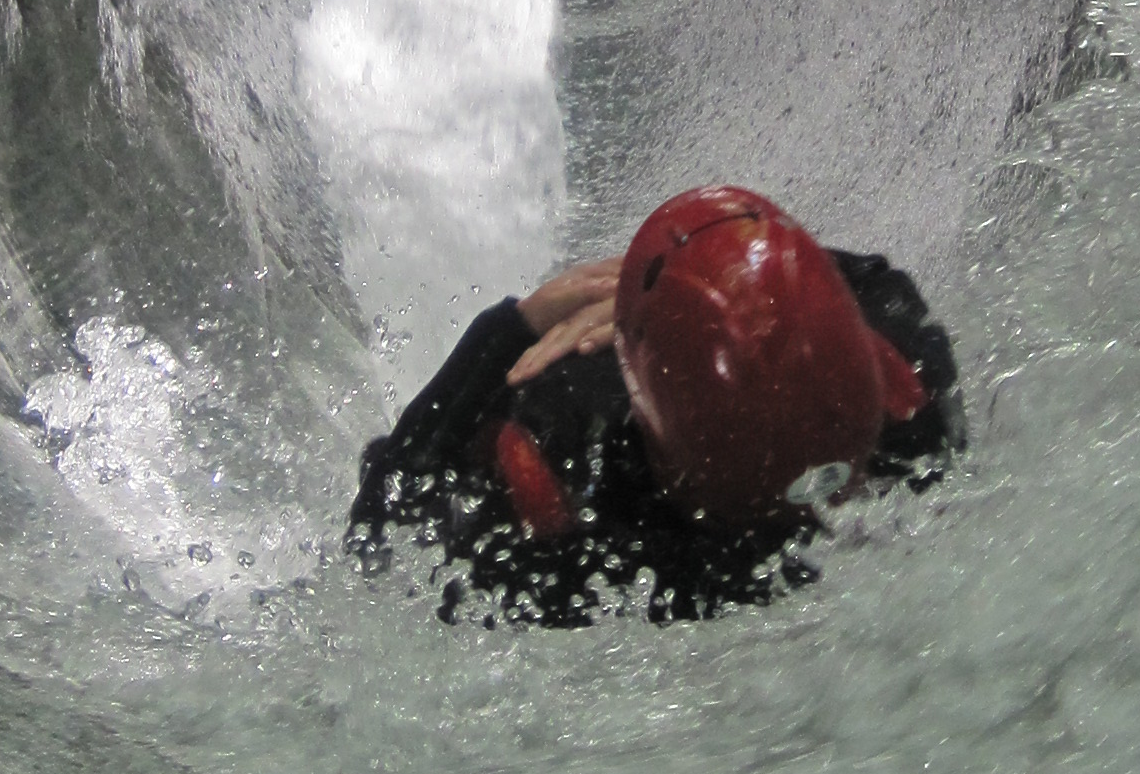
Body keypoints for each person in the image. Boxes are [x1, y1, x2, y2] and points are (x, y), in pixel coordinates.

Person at [348, 184, 961, 623]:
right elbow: (873, 283)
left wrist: (505, 333)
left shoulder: (588, 544)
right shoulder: (913, 419)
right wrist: (709, 281)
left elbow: (380, 539)